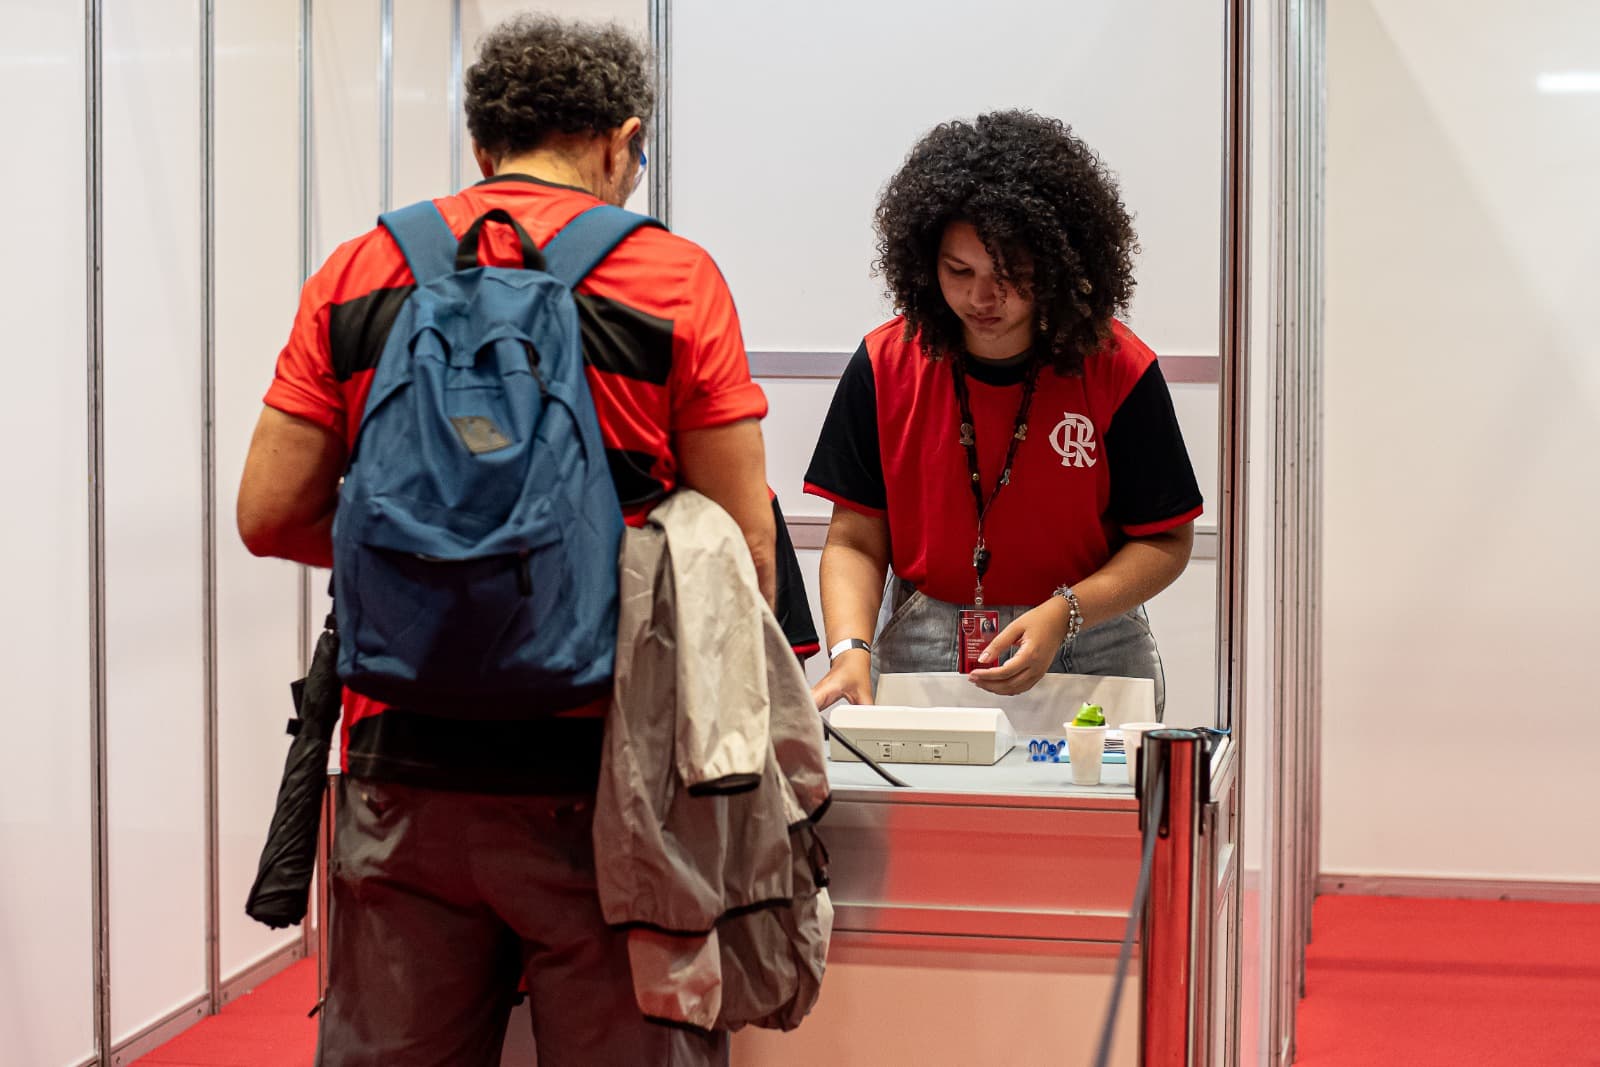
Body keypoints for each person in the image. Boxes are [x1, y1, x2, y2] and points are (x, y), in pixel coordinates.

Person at [236, 15, 782, 1065]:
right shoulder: (671, 280)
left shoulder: (362, 271)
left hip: (403, 755)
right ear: (622, 141)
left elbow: (269, 512)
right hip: (609, 775)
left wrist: (430, 562)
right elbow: (738, 545)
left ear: (482, 146)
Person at [805, 110, 1203, 715]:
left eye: (1010, 275)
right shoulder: (886, 363)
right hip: (924, 632)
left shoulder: (1118, 367)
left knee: (1092, 812)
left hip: (1087, 633)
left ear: (1058, 265)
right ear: (924, 262)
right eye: (957, 271)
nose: (981, 298)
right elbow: (856, 539)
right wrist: (850, 649)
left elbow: (1167, 540)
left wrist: (1063, 614)